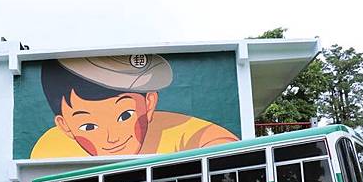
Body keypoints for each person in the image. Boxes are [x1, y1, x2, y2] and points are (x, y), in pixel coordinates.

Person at [31, 55, 238, 158]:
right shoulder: (49, 148)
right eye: (89, 127)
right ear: (65, 125)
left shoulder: (200, 139)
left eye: (125, 116)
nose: (112, 137)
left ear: (149, 104)